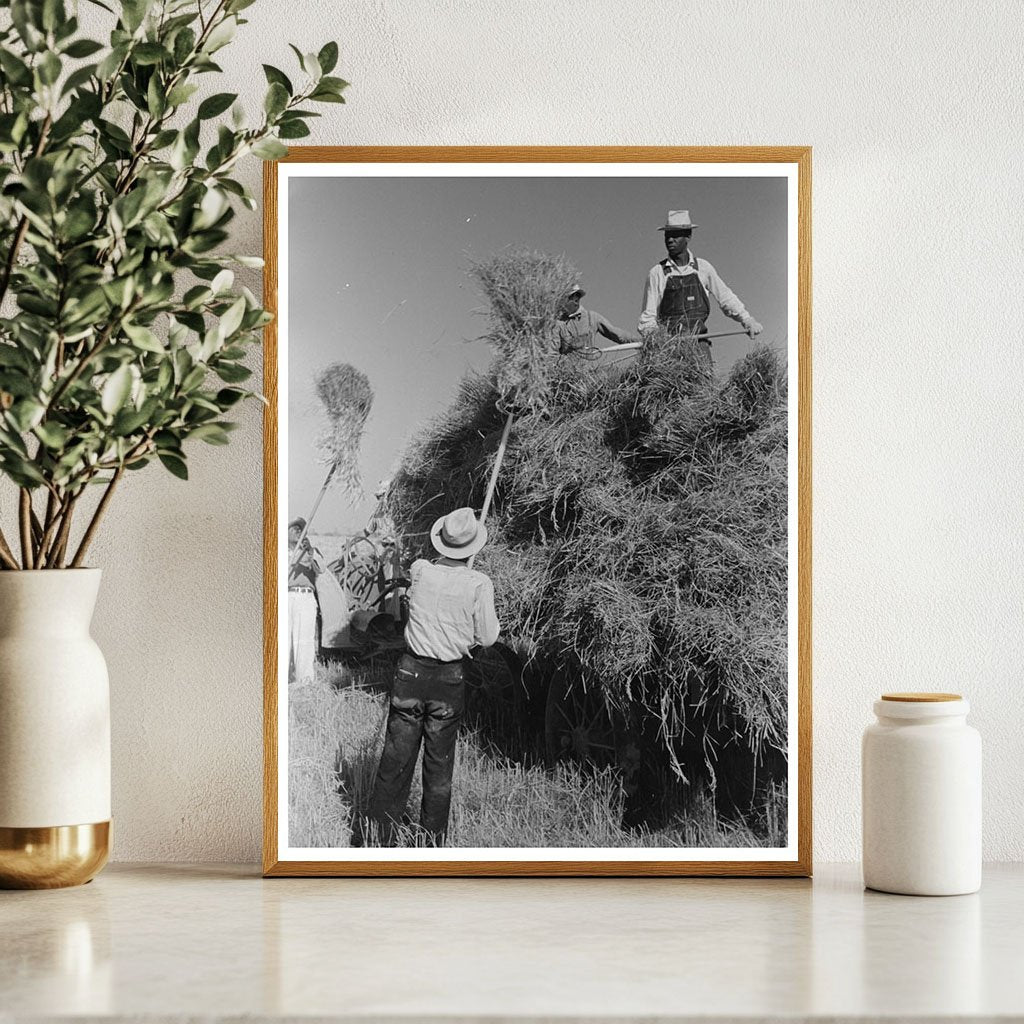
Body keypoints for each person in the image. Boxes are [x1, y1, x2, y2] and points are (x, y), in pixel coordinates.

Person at [367, 507, 500, 847]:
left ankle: (376, 841)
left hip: (410, 673)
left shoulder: (420, 570)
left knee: (395, 762)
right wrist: (465, 632)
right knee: (439, 769)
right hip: (448, 679)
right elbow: (487, 638)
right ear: (473, 547)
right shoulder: (479, 583)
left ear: (442, 541)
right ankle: (430, 845)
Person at [638, 210, 764, 367]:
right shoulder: (657, 273)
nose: (670, 240)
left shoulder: (703, 268)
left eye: (675, 235)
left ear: (688, 236)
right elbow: (648, 317)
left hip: (700, 348)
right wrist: (656, 341)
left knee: (705, 381)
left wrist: (747, 320)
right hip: (669, 350)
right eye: (667, 235)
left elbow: (726, 298)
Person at [287, 517, 323, 687]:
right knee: (283, 639)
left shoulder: (311, 552)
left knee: (304, 640)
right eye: (294, 528)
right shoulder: (279, 550)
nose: (298, 531)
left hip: (305, 598)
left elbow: (321, 569)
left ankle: (304, 681)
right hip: (286, 596)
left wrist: (310, 552)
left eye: (300, 529)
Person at [555, 285, 638, 356]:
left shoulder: (592, 318)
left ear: (575, 300)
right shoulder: (558, 323)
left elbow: (616, 334)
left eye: (564, 300)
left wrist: (639, 341)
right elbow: (553, 352)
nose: (561, 304)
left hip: (587, 367)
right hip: (565, 368)